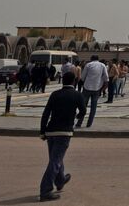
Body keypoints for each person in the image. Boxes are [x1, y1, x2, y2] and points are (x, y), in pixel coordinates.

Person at [38, 72, 85, 202]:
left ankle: (60, 180)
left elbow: (46, 113)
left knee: (55, 158)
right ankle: (45, 191)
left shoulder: (55, 94)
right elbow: (83, 111)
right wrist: (76, 117)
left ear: (62, 81)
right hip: (64, 132)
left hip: (51, 131)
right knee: (55, 161)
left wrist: (42, 131)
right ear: (74, 81)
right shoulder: (77, 95)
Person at [77, 55, 108, 128]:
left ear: (91, 59)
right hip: (97, 88)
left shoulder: (88, 65)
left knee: (83, 106)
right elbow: (106, 78)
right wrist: (103, 88)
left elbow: (83, 77)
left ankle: (79, 123)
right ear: (98, 59)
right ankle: (89, 124)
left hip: (87, 87)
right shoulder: (102, 65)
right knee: (93, 107)